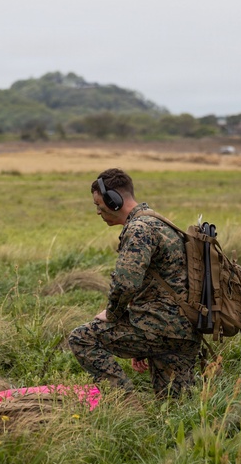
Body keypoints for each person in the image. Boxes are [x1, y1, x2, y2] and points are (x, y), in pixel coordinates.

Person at [68, 168, 201, 399]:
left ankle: (124, 402)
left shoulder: (139, 229)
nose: (98, 211)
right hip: (186, 330)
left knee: (82, 338)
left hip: (159, 327)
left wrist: (113, 314)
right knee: (174, 405)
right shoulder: (159, 222)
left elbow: (126, 283)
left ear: (114, 201)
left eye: (99, 204)